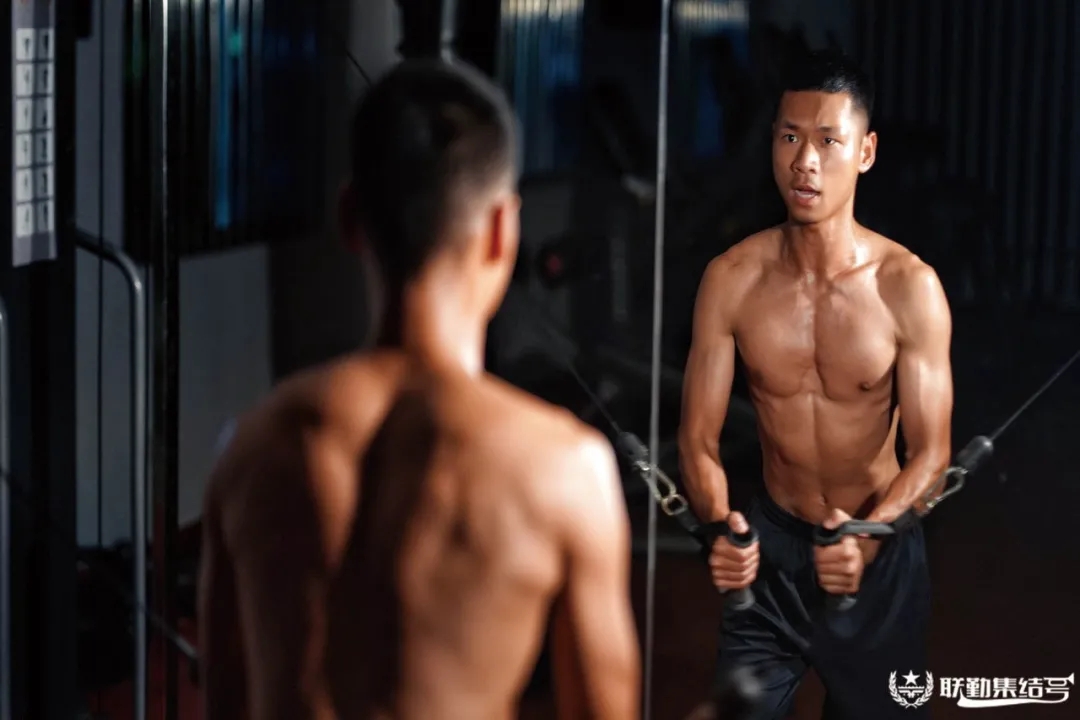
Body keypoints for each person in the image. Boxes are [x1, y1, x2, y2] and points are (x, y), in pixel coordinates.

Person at [198, 60, 640, 720]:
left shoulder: (249, 449)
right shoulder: (566, 471)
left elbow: (224, 705)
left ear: (350, 217)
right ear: (503, 230)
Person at [678, 49, 953, 719]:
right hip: (771, 552)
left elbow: (932, 456)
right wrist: (719, 528)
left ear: (865, 152)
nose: (805, 161)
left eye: (829, 141)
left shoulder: (908, 287)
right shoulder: (731, 279)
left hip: (876, 559)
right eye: (790, 136)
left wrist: (869, 535)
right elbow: (697, 441)